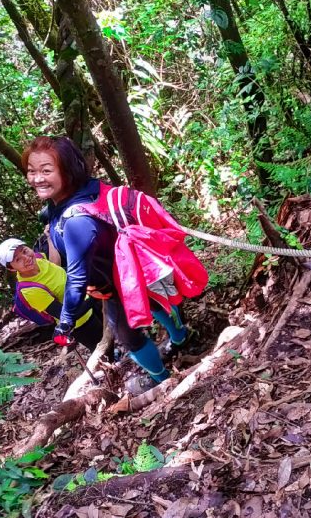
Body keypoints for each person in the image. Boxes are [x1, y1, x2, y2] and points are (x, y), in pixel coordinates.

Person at [23, 136, 190, 394]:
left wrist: (65, 322)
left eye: (46, 170)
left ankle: (161, 379)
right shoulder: (86, 190)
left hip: (118, 282)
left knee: (129, 338)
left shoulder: (76, 222)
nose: (36, 179)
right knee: (155, 303)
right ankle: (181, 336)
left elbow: (76, 280)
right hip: (133, 267)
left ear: (67, 170)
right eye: (32, 171)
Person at [0, 237, 102, 351]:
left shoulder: (38, 258)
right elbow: (66, 315)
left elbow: (55, 267)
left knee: (113, 335)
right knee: (105, 352)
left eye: (24, 251)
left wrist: (50, 239)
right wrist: (93, 298)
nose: (26, 258)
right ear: (11, 269)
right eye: (18, 259)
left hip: (90, 301)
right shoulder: (30, 289)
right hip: (82, 323)